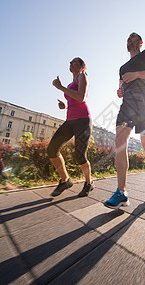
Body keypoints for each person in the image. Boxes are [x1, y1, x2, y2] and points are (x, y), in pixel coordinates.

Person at [104, 32, 145, 209]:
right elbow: (121, 87)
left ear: (140, 42)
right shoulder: (122, 67)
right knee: (120, 141)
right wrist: (120, 92)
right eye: (127, 38)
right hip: (127, 107)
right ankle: (121, 191)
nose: (128, 40)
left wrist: (138, 74)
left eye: (132, 37)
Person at [47, 57, 94, 197]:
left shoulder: (82, 76)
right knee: (52, 148)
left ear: (81, 66)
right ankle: (65, 180)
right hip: (70, 120)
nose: (70, 63)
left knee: (80, 155)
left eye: (74, 62)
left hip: (83, 120)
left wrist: (60, 87)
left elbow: (81, 98)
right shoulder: (70, 83)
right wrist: (65, 106)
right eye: (70, 62)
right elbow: (74, 101)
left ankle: (89, 183)